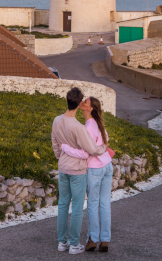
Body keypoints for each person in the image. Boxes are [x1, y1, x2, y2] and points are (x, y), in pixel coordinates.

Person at [51, 88, 107, 255]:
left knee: (62, 205)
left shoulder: (56, 120)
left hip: (63, 167)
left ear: (67, 101)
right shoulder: (78, 127)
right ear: (79, 103)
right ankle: (74, 244)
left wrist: (60, 156)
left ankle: (62, 242)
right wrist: (104, 147)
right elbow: (92, 149)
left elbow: (55, 143)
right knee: (76, 208)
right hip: (77, 171)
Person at [61, 96, 113, 253]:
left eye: (85, 102)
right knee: (104, 204)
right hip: (107, 165)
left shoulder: (89, 126)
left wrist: (65, 148)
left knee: (92, 204)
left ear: (90, 109)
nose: (82, 102)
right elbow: (106, 139)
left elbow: (84, 153)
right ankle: (105, 240)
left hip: (95, 168)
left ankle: (92, 239)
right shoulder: (98, 123)